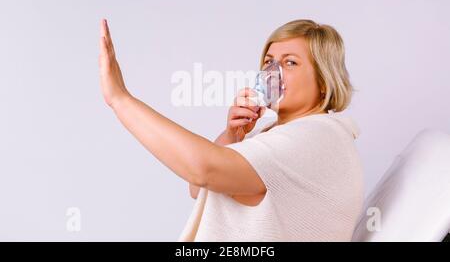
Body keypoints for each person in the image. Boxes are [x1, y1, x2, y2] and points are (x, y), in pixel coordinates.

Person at [98, 18, 364, 241]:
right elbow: (198, 188)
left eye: (290, 62)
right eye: (269, 61)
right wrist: (232, 137)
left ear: (323, 79)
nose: (273, 71)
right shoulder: (276, 133)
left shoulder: (317, 136)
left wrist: (121, 100)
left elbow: (203, 170)